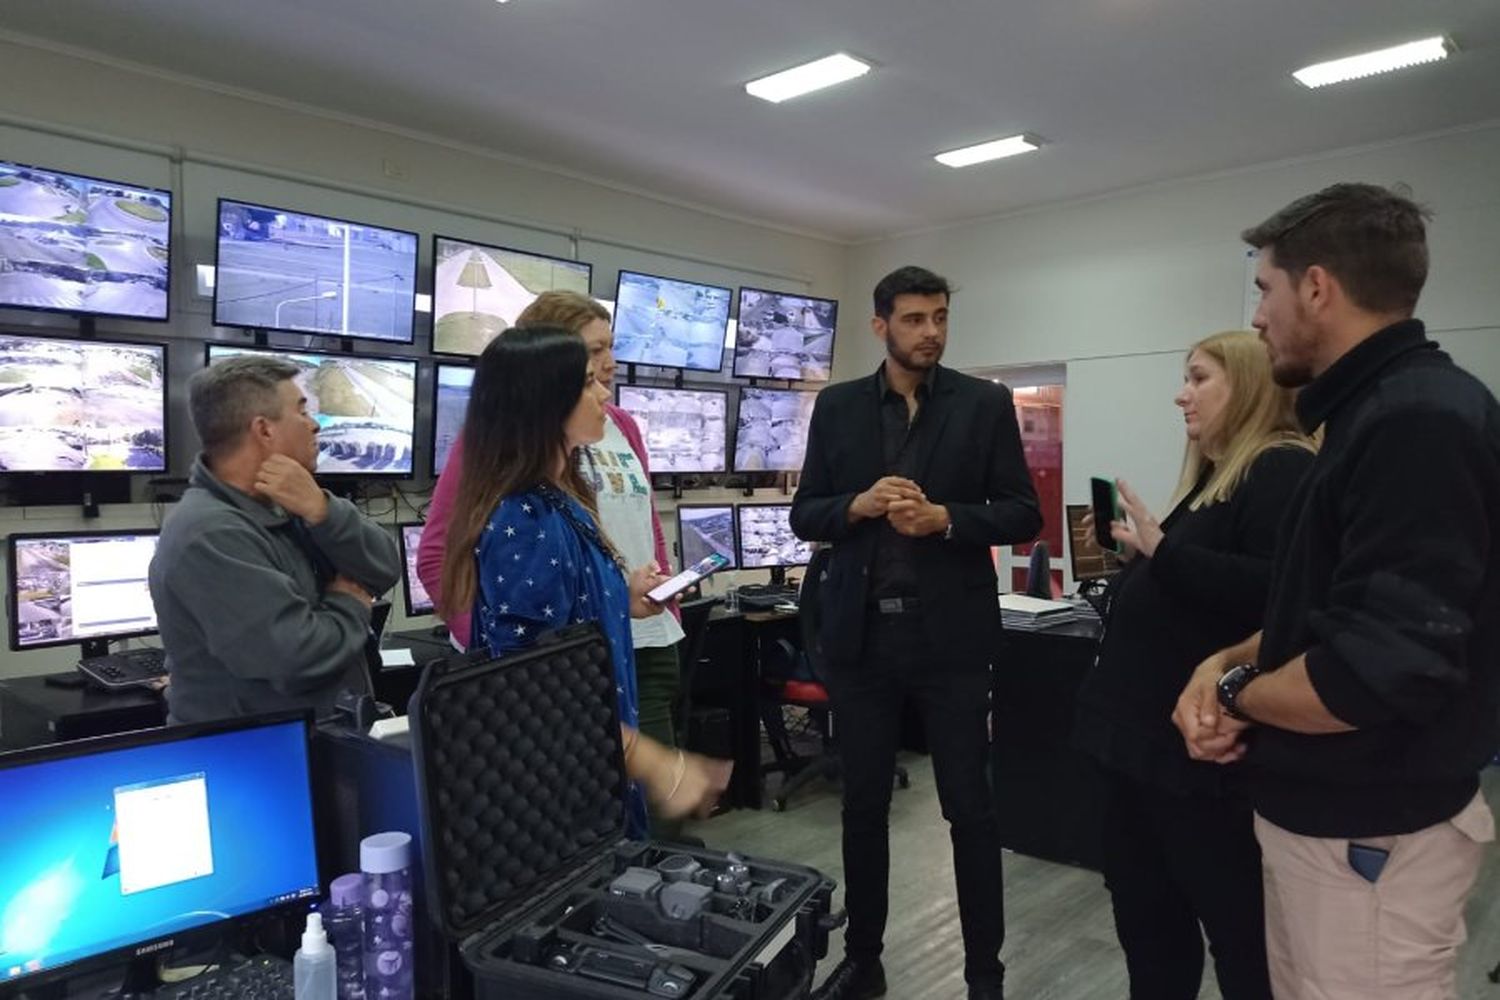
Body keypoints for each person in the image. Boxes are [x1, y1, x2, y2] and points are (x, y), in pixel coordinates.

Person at [1173, 183, 1500, 999]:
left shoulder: (1418, 418)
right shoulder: (1368, 417)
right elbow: (1319, 619)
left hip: (1372, 836)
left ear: (1316, 287)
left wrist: (1238, 693)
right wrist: (1221, 661)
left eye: (1265, 290)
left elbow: (1369, 671)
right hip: (1328, 824)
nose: (1258, 318)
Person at [791, 265, 1042, 1000]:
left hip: (952, 644)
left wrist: (949, 519)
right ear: (881, 326)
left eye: (939, 317)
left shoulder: (983, 404)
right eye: (914, 319)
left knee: (970, 808)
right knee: (862, 805)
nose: (930, 331)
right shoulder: (837, 409)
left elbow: (1022, 511)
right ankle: (864, 958)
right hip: (861, 641)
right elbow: (807, 513)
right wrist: (858, 505)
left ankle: (984, 975)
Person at [1074, 331, 1314, 999]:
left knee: (1238, 939)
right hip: (1142, 751)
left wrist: (1165, 553)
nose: (1183, 393)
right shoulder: (1218, 475)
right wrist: (1142, 560)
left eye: (1199, 377)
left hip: (1198, 763)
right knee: (1149, 925)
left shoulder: (1281, 467)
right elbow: (1198, 587)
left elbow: (1279, 595)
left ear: (1249, 383)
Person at [437, 325, 727, 831]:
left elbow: (567, 618)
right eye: (589, 382)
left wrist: (621, 596)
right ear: (546, 402)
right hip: (560, 785)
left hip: (589, 763)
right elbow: (531, 683)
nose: (604, 394)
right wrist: (651, 760)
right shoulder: (523, 520)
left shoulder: (560, 498)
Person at [149, 354, 401, 724]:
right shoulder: (210, 533)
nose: (314, 425)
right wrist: (349, 604)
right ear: (264, 430)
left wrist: (324, 511)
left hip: (322, 741)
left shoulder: (291, 504)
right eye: (301, 412)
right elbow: (297, 658)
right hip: (260, 760)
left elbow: (384, 570)